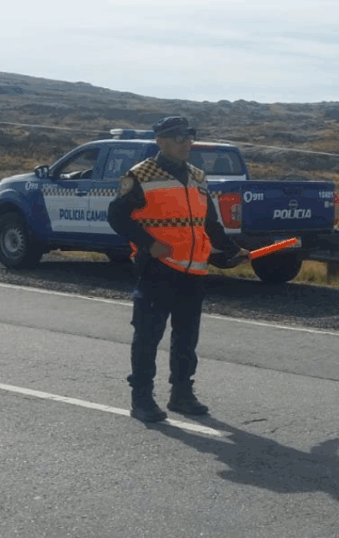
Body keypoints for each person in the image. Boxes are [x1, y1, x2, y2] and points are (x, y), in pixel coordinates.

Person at [107, 116, 249, 423]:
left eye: (189, 137)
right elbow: (117, 216)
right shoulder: (141, 175)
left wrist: (230, 249)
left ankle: (182, 394)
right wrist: (149, 244)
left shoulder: (198, 176)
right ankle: (142, 398)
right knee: (148, 336)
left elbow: (209, 223)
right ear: (161, 141)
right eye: (178, 138)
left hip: (193, 271)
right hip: (158, 268)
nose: (186, 143)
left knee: (186, 338)